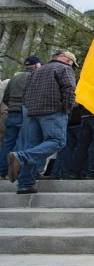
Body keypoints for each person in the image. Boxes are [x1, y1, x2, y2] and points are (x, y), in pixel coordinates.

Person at [7, 50, 78, 193]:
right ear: (66, 59)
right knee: (57, 141)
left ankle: (25, 184)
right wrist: (67, 108)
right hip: (53, 111)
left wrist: (29, 108)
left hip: (32, 112)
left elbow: (26, 93)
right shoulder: (64, 68)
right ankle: (21, 157)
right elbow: (70, 89)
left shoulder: (37, 71)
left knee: (32, 146)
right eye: (72, 63)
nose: (72, 66)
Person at [0, 55, 41, 179]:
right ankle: (16, 171)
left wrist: (12, 105)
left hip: (11, 113)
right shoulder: (35, 77)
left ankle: (2, 171)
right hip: (25, 113)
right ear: (36, 65)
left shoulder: (15, 77)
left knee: (8, 142)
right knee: (23, 142)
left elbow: (5, 97)